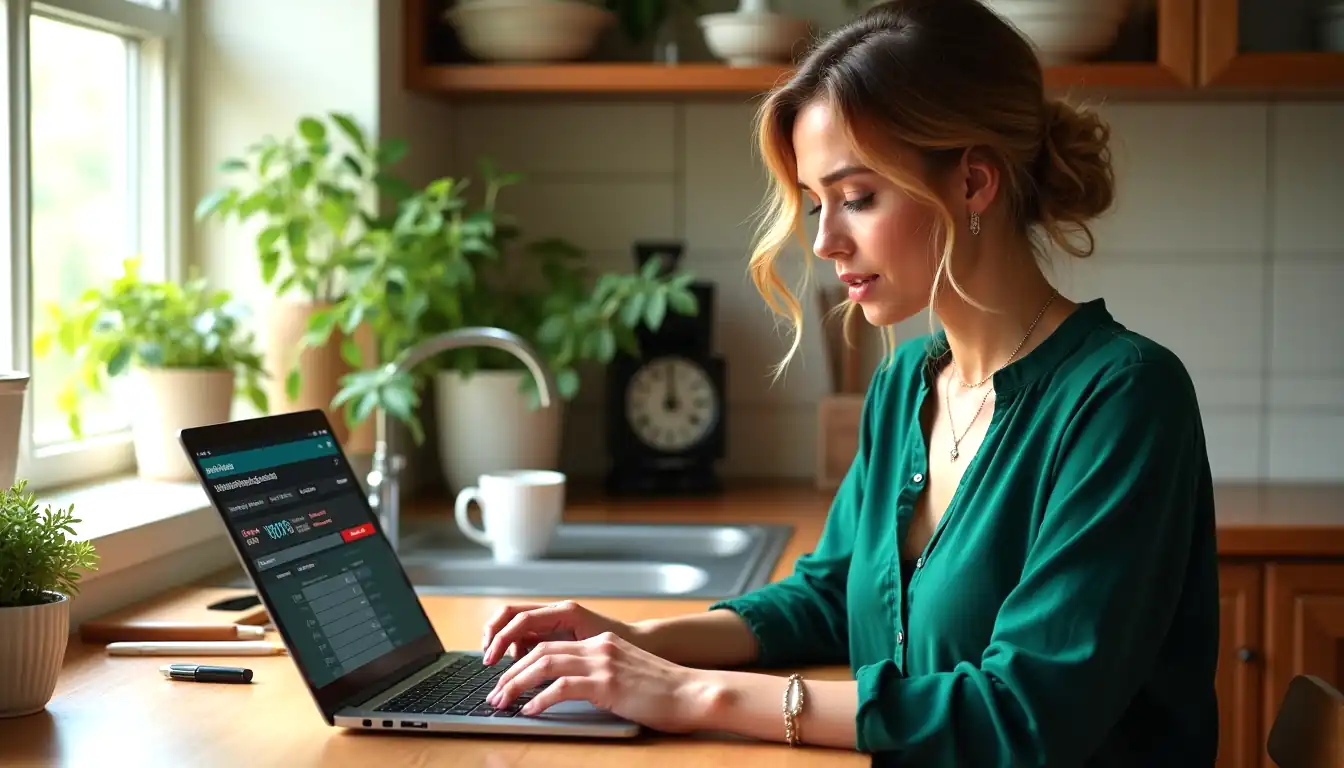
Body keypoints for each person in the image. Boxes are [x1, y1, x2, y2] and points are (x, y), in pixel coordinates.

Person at [479, 0, 1222, 764]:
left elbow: (1025, 712)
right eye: (815, 204)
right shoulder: (906, 385)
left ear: (972, 182)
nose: (826, 241)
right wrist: (636, 641)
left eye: (858, 197)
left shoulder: (1126, 397)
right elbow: (830, 597)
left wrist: (690, 691)